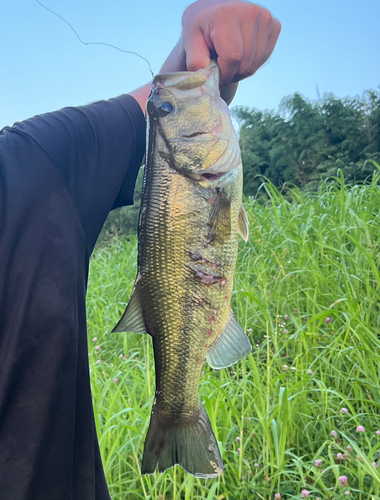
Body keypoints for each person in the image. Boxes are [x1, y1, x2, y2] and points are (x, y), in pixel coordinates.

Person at [0, 1, 280, 498]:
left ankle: (177, 410)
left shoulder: (26, 164)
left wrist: (204, 38)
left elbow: (157, 103)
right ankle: (176, 413)